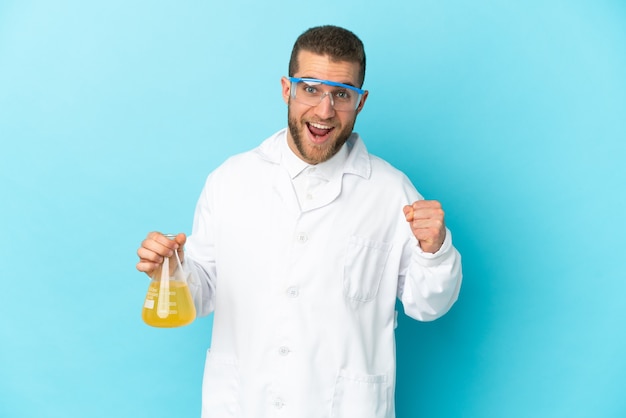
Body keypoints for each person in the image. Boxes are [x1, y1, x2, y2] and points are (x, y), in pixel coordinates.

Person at [136, 25, 462, 418]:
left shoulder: (391, 192)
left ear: (361, 102)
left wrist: (436, 250)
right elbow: (203, 293)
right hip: (244, 404)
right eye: (310, 88)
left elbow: (430, 305)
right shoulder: (230, 181)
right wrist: (171, 269)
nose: (324, 111)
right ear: (286, 89)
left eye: (341, 94)